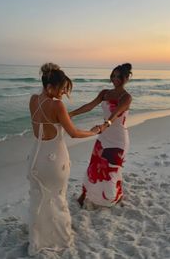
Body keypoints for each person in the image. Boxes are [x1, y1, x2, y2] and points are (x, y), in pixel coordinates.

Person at [27, 63, 99, 255]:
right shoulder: (57, 105)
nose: (63, 93)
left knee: (39, 199)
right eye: (62, 89)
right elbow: (73, 133)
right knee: (57, 198)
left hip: (35, 158)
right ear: (51, 86)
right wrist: (93, 131)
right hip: (53, 160)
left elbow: (46, 121)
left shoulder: (33, 99)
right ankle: (58, 238)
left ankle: (38, 238)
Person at [70, 63, 132, 208]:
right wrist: (71, 114)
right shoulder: (104, 93)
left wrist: (103, 126)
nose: (115, 79)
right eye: (113, 76)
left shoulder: (126, 97)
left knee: (112, 170)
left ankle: (113, 196)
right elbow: (89, 106)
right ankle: (84, 194)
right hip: (104, 136)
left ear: (126, 78)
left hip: (118, 138)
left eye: (119, 76)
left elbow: (115, 114)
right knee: (94, 165)